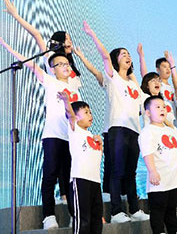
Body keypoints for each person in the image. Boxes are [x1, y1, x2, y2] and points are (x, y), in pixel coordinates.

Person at [0, 40, 78, 229]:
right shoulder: (50, 81)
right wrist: (7, 47)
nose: (65, 66)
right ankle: (49, 216)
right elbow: (29, 63)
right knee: (50, 176)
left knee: (70, 178)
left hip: (71, 138)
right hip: (53, 136)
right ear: (52, 69)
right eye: (60, 64)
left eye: (67, 64)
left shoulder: (75, 87)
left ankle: (74, 214)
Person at [83, 21, 149, 223]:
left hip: (134, 130)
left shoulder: (132, 83)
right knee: (117, 170)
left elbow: (143, 91)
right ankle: (116, 211)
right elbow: (104, 56)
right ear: (115, 60)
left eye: (128, 54)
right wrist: (92, 34)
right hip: (117, 129)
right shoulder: (112, 78)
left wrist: (140, 57)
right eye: (123, 54)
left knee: (131, 172)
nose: (127, 56)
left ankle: (135, 209)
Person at [138, 95, 177, 234]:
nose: (162, 109)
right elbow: (148, 153)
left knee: (171, 208)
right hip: (159, 178)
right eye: (157, 107)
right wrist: (152, 171)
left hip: (173, 177)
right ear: (147, 113)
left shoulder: (170, 130)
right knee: (158, 209)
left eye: (163, 107)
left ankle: (174, 230)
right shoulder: (147, 131)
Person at [58, 92, 103, 234]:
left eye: (90, 112)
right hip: (80, 180)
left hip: (95, 182)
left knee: (96, 220)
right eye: (86, 112)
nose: (90, 115)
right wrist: (67, 101)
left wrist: (100, 144)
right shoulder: (75, 130)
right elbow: (70, 115)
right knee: (83, 220)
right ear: (76, 117)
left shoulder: (92, 136)